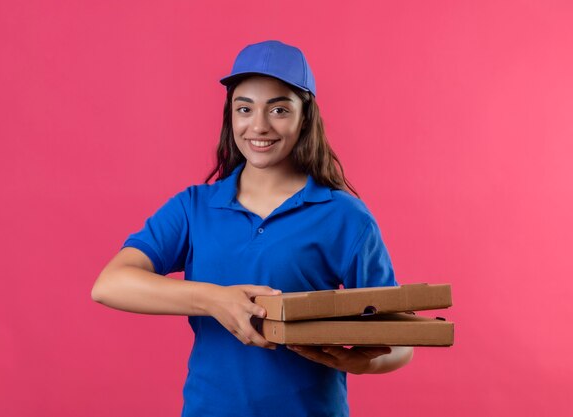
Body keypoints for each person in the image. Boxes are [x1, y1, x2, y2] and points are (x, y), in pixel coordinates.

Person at [92, 40, 413, 417]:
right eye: (244, 108)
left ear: (305, 116)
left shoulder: (345, 215)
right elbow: (109, 284)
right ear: (231, 115)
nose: (259, 126)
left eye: (279, 109)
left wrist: (363, 363)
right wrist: (214, 299)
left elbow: (401, 339)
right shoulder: (194, 207)